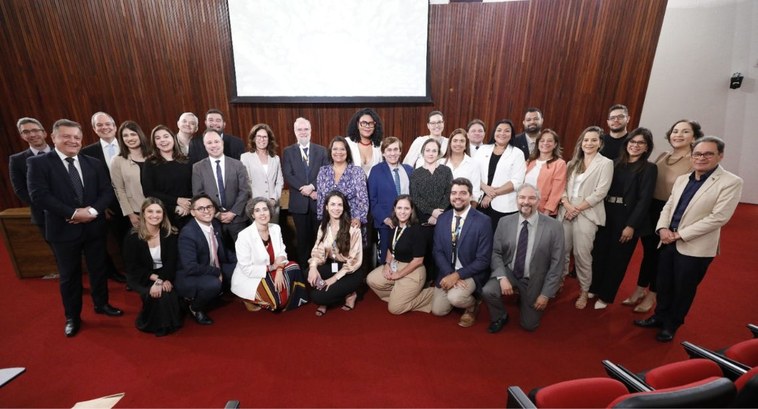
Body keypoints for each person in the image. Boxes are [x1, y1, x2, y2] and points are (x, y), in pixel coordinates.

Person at [634, 136, 742, 342]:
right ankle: (659, 316)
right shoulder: (684, 178)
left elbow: (718, 218)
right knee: (663, 283)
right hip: (667, 240)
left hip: (694, 246)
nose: (701, 158)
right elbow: (669, 205)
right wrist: (662, 228)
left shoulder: (731, 182)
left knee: (683, 288)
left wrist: (680, 235)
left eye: (708, 154)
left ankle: (672, 324)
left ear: (720, 156)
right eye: (698, 154)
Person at [27, 119, 123, 337]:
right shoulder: (39, 164)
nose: (72, 141)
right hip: (63, 229)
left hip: (94, 227)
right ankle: (72, 316)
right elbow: (39, 195)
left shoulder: (93, 163)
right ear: (54, 138)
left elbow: (107, 192)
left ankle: (102, 304)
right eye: (66, 136)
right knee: (70, 275)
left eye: (76, 137)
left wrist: (90, 212)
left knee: (99, 269)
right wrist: (72, 213)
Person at [623, 120, 703, 313]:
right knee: (649, 253)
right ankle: (640, 288)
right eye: (675, 131)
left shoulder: (694, 160)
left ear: (694, 137)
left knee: (661, 256)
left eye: (685, 132)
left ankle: (653, 294)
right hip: (651, 209)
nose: (678, 135)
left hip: (671, 212)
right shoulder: (663, 155)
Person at [589, 128, 657, 309]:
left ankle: (606, 295)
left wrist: (631, 226)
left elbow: (644, 200)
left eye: (640, 143)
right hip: (607, 212)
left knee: (617, 259)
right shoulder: (614, 163)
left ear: (646, 147)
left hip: (627, 217)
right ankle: (594, 287)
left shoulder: (649, 168)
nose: (635, 146)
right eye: (632, 142)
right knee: (599, 253)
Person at [482, 184, 564, 332]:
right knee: (489, 291)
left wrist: (545, 294)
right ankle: (500, 315)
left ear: (538, 201)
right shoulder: (505, 222)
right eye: (522, 197)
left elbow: (557, 265)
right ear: (517, 200)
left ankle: (524, 299)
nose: (526, 202)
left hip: (534, 278)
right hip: (510, 272)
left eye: (531, 198)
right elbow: (496, 252)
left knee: (529, 325)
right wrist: (502, 277)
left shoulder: (554, 227)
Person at [558, 126, 613, 309]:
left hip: (587, 213)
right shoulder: (571, 163)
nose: (589, 143)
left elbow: (601, 192)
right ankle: (559, 283)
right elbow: (562, 188)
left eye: (593, 140)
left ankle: (583, 290)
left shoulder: (605, 163)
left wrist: (577, 208)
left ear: (600, 143)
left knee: (581, 254)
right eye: (586, 140)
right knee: (562, 251)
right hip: (566, 210)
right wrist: (567, 205)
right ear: (581, 143)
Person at [428, 178, 493, 327]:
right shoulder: (443, 218)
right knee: (438, 310)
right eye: (454, 193)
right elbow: (437, 251)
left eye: (463, 193)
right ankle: (459, 296)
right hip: (448, 271)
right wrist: (450, 274)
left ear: (470, 196)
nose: (457, 197)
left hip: (471, 273)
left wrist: (457, 275)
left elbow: (483, 259)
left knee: (455, 298)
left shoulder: (483, 221)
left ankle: (472, 305)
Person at [231, 197, 308, 312]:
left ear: (270, 212)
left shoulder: (275, 228)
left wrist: (279, 270)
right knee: (277, 303)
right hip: (253, 276)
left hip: (273, 270)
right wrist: (272, 267)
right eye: (257, 210)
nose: (262, 213)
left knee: (294, 267)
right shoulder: (244, 236)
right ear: (252, 215)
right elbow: (247, 269)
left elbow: (282, 252)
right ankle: (247, 299)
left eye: (265, 209)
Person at [122, 197, 183, 336]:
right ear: (143, 213)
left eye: (158, 212)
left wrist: (162, 279)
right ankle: (151, 324)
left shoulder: (170, 233)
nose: (154, 215)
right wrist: (157, 280)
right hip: (141, 275)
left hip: (166, 272)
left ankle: (168, 324)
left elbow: (171, 262)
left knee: (167, 293)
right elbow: (132, 267)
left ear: (163, 215)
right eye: (150, 211)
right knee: (155, 294)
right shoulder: (132, 236)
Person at [176, 194, 237, 325]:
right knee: (213, 284)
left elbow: (223, 251)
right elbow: (190, 267)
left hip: (210, 266)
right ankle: (194, 307)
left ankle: (215, 295)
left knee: (238, 269)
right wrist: (216, 272)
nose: (206, 211)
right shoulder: (188, 233)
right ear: (193, 212)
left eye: (209, 207)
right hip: (191, 274)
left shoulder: (215, 224)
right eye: (201, 208)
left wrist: (242, 261)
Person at [82, 111, 128, 284]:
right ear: (94, 129)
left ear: (115, 126)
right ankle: (116, 273)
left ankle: (136, 273)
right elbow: (88, 183)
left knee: (134, 239)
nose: (105, 127)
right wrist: (101, 206)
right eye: (99, 125)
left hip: (133, 203)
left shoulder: (129, 144)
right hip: (107, 206)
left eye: (108, 124)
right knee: (111, 242)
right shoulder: (87, 153)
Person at [367, 195, 432, 314]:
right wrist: (387, 264)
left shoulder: (417, 231)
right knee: (371, 280)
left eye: (406, 208)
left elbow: (418, 261)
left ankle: (431, 294)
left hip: (413, 269)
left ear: (412, 210)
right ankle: (400, 295)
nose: (402, 212)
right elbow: (391, 249)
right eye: (399, 208)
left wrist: (399, 275)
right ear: (394, 209)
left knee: (395, 309)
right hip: (396, 264)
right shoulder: (394, 226)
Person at [282, 117, 329, 269]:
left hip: (318, 203)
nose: (303, 132)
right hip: (299, 204)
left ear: (310, 131)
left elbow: (325, 173)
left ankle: (318, 268)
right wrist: (308, 191)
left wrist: (313, 186)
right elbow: (288, 175)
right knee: (302, 239)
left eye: (306, 129)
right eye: (299, 129)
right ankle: (303, 271)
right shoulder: (288, 152)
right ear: (295, 132)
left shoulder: (321, 151)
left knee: (319, 238)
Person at [307, 191, 363, 316]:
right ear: (326, 207)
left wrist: (333, 279)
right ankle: (329, 293)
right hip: (333, 265)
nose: (336, 208)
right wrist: (313, 267)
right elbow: (318, 250)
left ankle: (350, 293)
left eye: (340, 205)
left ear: (344, 208)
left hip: (350, 271)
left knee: (317, 297)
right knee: (308, 273)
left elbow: (354, 260)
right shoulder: (324, 226)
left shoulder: (353, 228)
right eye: (332, 204)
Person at [192, 129, 251, 246]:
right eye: (209, 143)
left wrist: (233, 212)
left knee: (244, 254)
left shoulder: (237, 164)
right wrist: (216, 214)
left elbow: (245, 190)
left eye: (216, 141)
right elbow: (198, 195)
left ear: (222, 143)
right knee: (218, 256)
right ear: (204, 145)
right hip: (212, 219)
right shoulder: (198, 167)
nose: (213, 145)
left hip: (238, 220)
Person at [410, 138, 452, 281]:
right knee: (426, 252)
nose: (431, 153)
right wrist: (431, 213)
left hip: (443, 218)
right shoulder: (416, 173)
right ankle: (426, 282)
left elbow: (448, 193)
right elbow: (415, 197)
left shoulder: (446, 171)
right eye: (428, 150)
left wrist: (439, 213)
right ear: (422, 152)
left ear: (439, 153)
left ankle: (441, 281)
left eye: (434, 150)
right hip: (423, 219)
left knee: (441, 251)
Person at [474, 119, 526, 232]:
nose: (502, 133)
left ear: (511, 134)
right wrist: (484, 187)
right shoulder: (483, 149)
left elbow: (517, 181)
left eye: (507, 131)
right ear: (494, 132)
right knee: (479, 237)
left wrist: (491, 194)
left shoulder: (517, 153)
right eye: (499, 130)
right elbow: (472, 172)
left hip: (504, 205)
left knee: (499, 240)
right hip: (478, 202)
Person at [367, 137, 413, 264]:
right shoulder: (376, 171)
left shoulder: (409, 170)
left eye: (395, 149)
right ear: (383, 153)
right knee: (386, 259)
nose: (392, 153)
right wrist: (385, 219)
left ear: (400, 151)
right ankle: (384, 282)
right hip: (386, 223)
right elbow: (372, 199)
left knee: (406, 257)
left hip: (407, 223)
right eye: (389, 150)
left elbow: (414, 197)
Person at [141, 125, 193, 229]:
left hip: (189, 211)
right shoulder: (150, 163)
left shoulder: (186, 161)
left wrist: (189, 205)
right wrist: (176, 203)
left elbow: (193, 187)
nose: (162, 140)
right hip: (165, 213)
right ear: (154, 143)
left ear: (173, 138)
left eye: (166, 136)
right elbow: (149, 192)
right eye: (158, 138)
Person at [316, 136, 369, 229]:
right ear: (330, 151)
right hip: (329, 222)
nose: (338, 152)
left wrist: (358, 218)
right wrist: (322, 220)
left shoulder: (357, 171)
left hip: (352, 222)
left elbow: (363, 199)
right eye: (335, 149)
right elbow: (321, 199)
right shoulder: (323, 171)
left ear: (347, 152)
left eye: (342, 149)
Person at [9, 117, 51, 233]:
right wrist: (50, 206)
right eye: (26, 132)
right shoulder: (16, 160)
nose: (32, 134)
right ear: (22, 136)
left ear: (44, 133)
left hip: (74, 213)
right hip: (44, 216)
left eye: (35, 130)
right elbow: (20, 190)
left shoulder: (62, 153)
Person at [240, 123, 284, 223]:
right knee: (258, 236)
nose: (262, 139)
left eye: (265, 137)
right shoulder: (245, 157)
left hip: (273, 206)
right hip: (255, 206)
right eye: (259, 136)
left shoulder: (275, 158)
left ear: (269, 139)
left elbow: (279, 182)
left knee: (273, 234)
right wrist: (255, 202)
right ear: (254, 139)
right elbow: (245, 183)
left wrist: (273, 198)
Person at [110, 120, 150, 229]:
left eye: (133, 134)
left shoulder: (152, 155)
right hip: (137, 210)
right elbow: (119, 190)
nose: (130, 138)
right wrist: (130, 214)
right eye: (125, 136)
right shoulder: (117, 161)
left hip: (159, 207)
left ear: (140, 135)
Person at [524, 129, 567, 216]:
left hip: (543, 211)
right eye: (542, 140)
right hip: (525, 207)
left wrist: (547, 212)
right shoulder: (530, 161)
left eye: (549, 141)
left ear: (555, 144)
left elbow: (557, 191)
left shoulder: (560, 164)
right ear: (538, 143)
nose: (545, 143)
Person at [440, 128, 482, 203]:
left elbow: (475, 193)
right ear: (450, 144)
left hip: (464, 206)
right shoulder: (440, 163)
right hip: (441, 207)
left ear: (466, 145)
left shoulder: (473, 164)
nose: (458, 144)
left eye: (462, 141)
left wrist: (469, 213)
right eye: (455, 140)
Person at [345, 107, 383, 176]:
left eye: (371, 123)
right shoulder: (347, 143)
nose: (367, 126)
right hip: (352, 186)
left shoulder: (380, 145)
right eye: (363, 123)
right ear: (357, 124)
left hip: (374, 186)